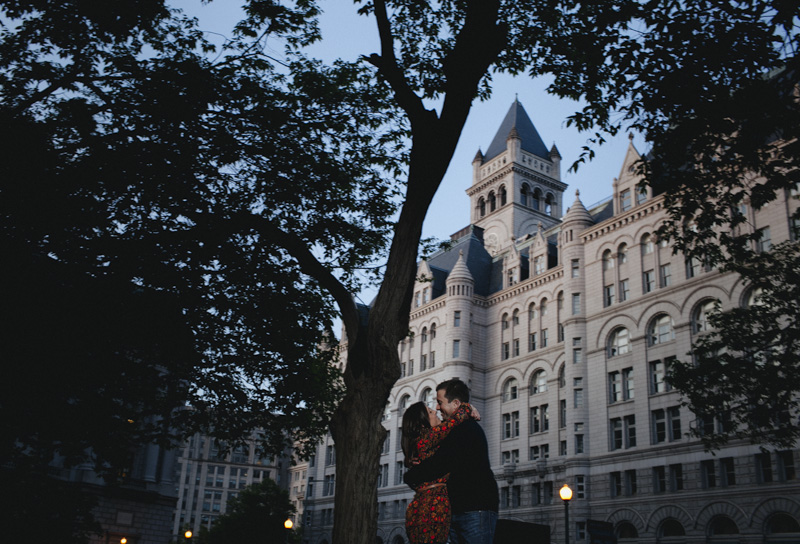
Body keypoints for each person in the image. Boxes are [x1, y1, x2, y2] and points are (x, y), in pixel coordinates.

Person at [404, 378, 499, 544]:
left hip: (474, 509)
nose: (437, 408)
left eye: (440, 402)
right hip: (459, 510)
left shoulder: (464, 429)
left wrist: (411, 476)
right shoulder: (447, 433)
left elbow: (440, 464)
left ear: (455, 404)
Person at [401, 399, 475, 544]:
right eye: (429, 412)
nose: (435, 411)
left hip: (423, 505)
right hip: (433, 507)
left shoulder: (421, 441)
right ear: (422, 424)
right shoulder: (429, 436)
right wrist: (469, 406)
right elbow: (458, 418)